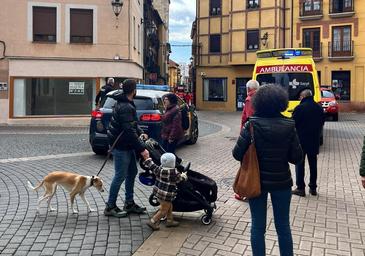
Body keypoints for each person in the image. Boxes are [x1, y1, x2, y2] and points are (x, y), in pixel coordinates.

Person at [232, 84, 303, 256]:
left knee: (257, 226)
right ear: (281, 102)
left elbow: (236, 154)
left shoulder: (251, 125)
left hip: (256, 182)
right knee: (283, 226)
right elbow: (297, 157)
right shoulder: (289, 125)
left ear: (258, 102)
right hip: (282, 183)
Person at [105, 79, 150, 218]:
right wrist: (142, 150)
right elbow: (129, 130)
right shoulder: (125, 106)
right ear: (134, 90)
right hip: (121, 146)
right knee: (120, 176)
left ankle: (129, 203)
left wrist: (141, 131)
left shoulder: (127, 103)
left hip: (127, 145)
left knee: (132, 172)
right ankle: (110, 206)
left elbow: (132, 124)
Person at [292, 89, 325, 197]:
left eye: (300, 97)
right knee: (313, 164)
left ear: (302, 96)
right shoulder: (319, 108)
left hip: (301, 141)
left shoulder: (299, 108)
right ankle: (313, 188)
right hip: (314, 140)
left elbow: (293, 123)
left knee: (299, 164)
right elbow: (322, 122)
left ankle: (300, 188)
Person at [142, 153, 187, 230]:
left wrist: (147, 158)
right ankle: (152, 222)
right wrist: (184, 176)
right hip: (167, 195)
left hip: (158, 193)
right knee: (163, 210)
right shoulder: (174, 172)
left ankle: (170, 220)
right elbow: (180, 180)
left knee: (169, 206)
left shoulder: (159, 169)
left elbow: (151, 165)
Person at [235, 79, 260, 201]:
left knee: (246, 165)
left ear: (248, 89)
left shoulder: (250, 99)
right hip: (257, 136)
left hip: (249, 137)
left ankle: (246, 192)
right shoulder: (261, 98)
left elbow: (251, 120)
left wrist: (248, 139)